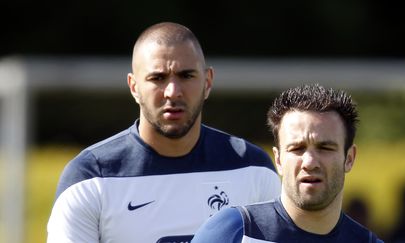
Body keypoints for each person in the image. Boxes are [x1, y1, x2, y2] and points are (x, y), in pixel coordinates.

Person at [46, 22, 281, 243]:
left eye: (186, 75)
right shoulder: (90, 178)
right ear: (134, 87)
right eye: (157, 78)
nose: (172, 91)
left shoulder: (252, 169)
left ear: (207, 82)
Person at [192, 84, 384, 242]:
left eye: (325, 148)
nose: (309, 162)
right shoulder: (233, 231)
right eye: (297, 148)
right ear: (278, 159)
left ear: (349, 158)